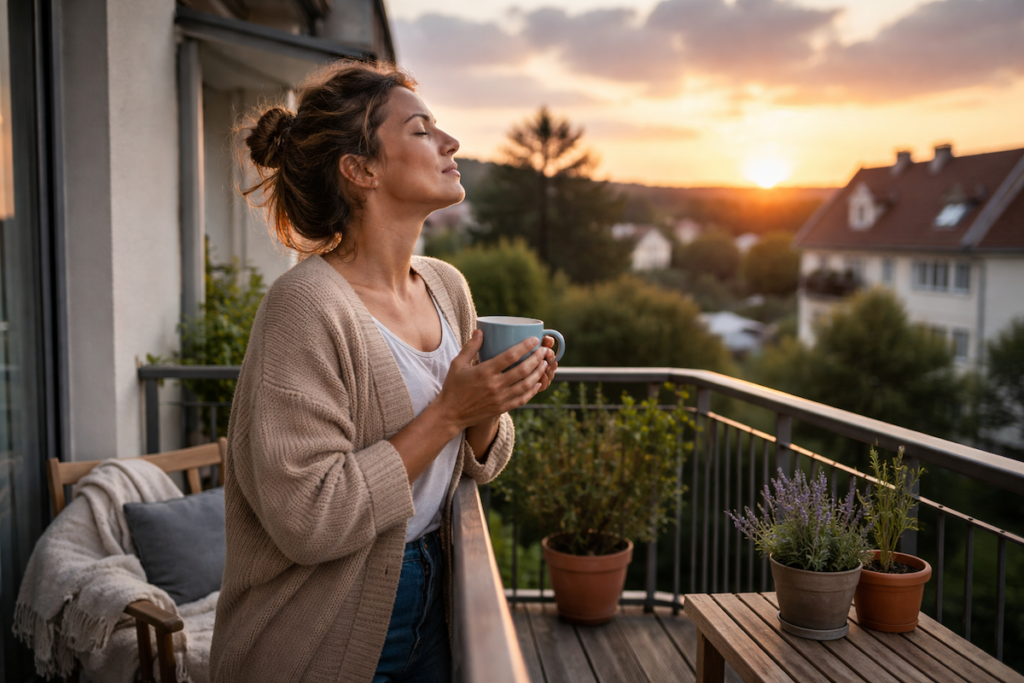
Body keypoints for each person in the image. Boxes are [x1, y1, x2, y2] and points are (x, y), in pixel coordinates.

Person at [209, 61, 558, 683]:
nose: (450, 143)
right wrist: (451, 410)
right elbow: (309, 520)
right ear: (361, 169)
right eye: (422, 130)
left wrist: (491, 403)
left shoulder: (448, 286)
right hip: (322, 620)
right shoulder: (305, 306)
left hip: (438, 588)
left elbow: (483, 458)